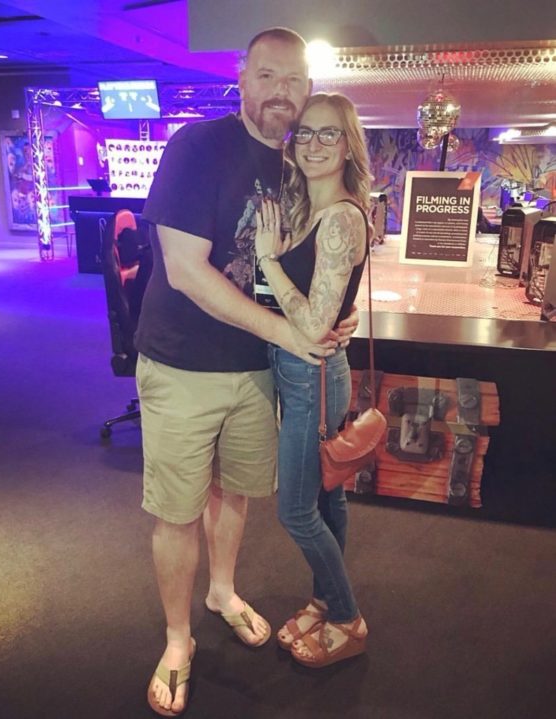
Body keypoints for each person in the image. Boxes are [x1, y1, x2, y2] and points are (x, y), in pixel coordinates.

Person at [134, 28, 359, 716]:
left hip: (259, 371)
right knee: (177, 511)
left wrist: (335, 313)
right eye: (267, 76)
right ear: (241, 78)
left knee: (235, 493)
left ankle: (222, 592)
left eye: (293, 80)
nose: (280, 92)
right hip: (182, 363)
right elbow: (184, 269)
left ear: (308, 88)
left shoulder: (297, 167)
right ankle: (178, 640)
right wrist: (290, 331)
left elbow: (313, 259)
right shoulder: (197, 147)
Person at [254, 91, 372, 668]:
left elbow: (314, 325)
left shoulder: (340, 218)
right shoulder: (313, 213)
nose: (314, 144)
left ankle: (347, 617)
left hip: (312, 378)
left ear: (348, 146)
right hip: (310, 374)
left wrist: (269, 261)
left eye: (329, 133)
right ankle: (325, 601)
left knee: (297, 511)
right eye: (305, 132)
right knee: (328, 498)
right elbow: (325, 309)